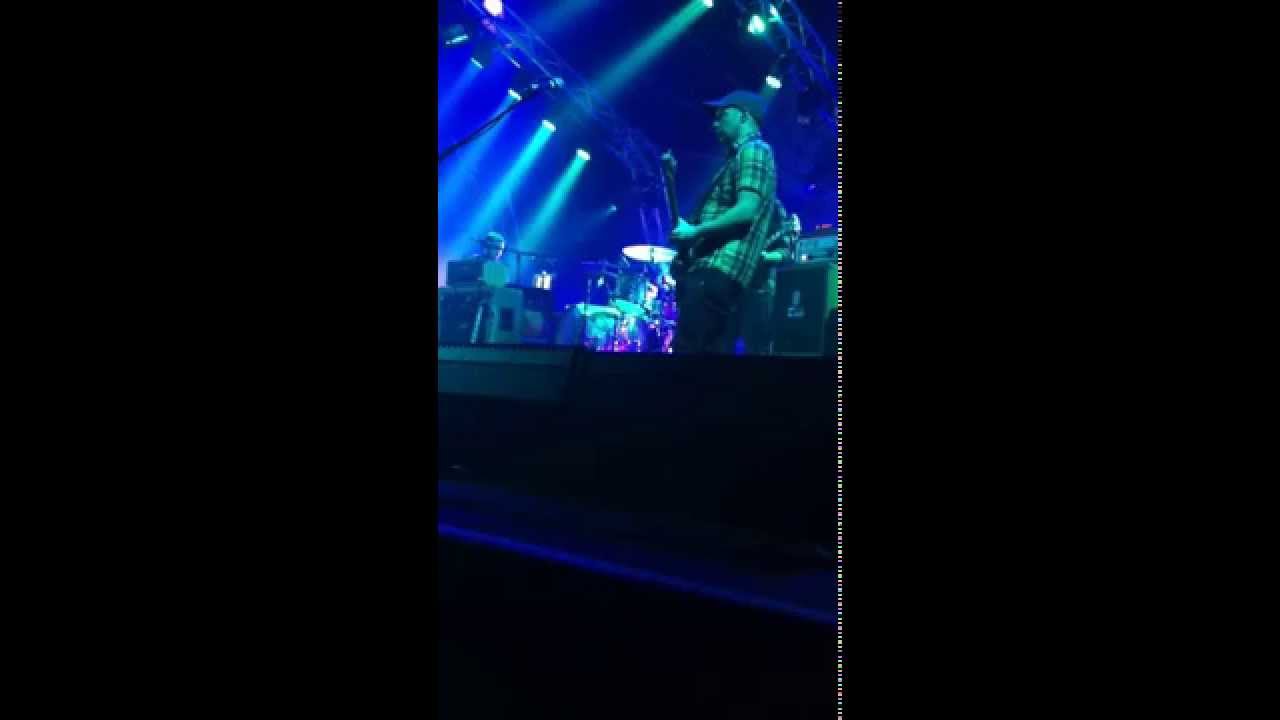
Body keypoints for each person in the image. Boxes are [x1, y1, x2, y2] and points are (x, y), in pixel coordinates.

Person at [669, 90, 778, 354]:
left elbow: (747, 210)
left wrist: (695, 231)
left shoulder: (755, 150)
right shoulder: (737, 158)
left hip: (719, 270)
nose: (715, 123)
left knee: (689, 358)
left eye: (722, 115)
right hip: (711, 271)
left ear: (744, 116)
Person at [731, 205, 801, 354]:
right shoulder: (734, 205)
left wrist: (767, 257)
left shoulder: (774, 208)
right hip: (729, 288)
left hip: (758, 290)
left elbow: (784, 252)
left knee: (757, 348)